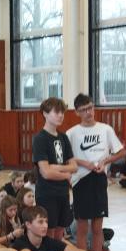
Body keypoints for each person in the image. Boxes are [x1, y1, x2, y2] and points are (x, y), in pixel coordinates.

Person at [66, 94, 124, 251]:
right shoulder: (72, 133)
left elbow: (121, 151)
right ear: (77, 112)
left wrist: (105, 161)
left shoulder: (105, 129)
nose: (88, 112)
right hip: (81, 181)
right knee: (82, 229)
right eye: (83, 110)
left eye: (90, 108)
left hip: (99, 180)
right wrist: (84, 163)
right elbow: (67, 158)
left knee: (98, 228)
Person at [32, 97, 77, 241]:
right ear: (45, 113)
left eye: (62, 112)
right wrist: (66, 175)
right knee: (48, 233)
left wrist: (56, 167)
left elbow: (74, 166)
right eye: (56, 112)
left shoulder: (63, 137)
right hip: (47, 193)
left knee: (60, 233)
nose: (61, 115)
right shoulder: (40, 139)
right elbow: (46, 173)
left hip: (63, 192)